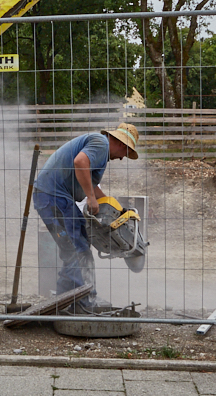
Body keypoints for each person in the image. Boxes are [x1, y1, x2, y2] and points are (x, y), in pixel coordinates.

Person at [32, 122, 139, 304]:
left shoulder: (99, 148)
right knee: (75, 248)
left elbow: (90, 180)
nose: (122, 158)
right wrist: (90, 197)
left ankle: (71, 299)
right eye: (126, 154)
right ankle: (80, 302)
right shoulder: (101, 143)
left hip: (58, 198)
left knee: (78, 245)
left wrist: (110, 207)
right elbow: (80, 162)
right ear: (122, 144)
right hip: (54, 198)